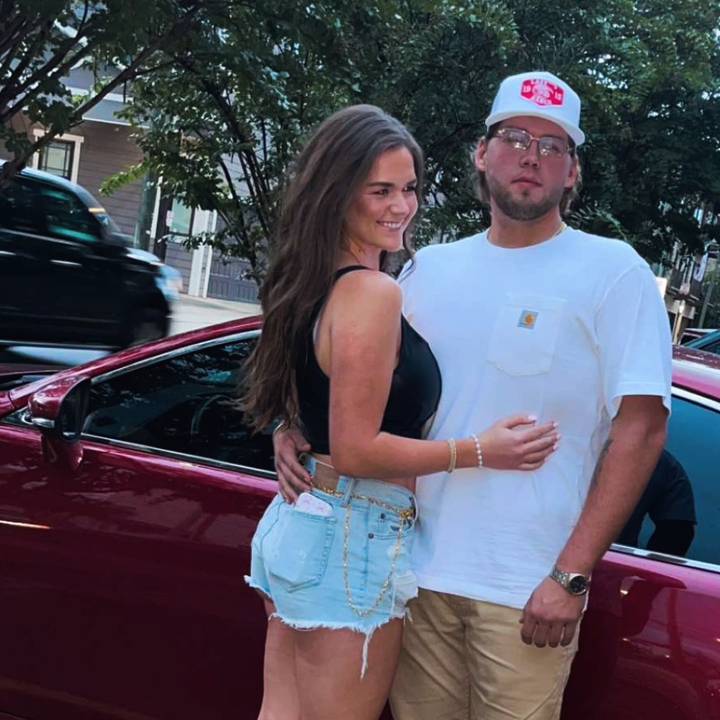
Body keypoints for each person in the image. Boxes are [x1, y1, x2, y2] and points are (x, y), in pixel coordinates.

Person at [274, 73, 672, 720]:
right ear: (482, 154)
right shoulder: (426, 269)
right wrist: (292, 425)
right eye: (514, 138)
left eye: (552, 146)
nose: (531, 157)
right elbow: (355, 373)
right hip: (410, 572)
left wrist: (571, 575)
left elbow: (643, 429)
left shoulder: (614, 272)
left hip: (525, 589)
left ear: (573, 172)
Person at [242, 104, 559, 720]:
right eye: (380, 190)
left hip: (303, 524)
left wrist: (288, 427)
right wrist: (479, 451)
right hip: (351, 532)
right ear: (338, 193)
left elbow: (311, 393)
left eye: (409, 188)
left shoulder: (315, 281)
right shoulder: (372, 292)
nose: (401, 206)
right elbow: (357, 449)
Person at [617, 448, 696, 557]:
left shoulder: (661, 462)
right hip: (616, 557)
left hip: (614, 555)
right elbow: (679, 531)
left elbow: (678, 530)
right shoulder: (661, 461)